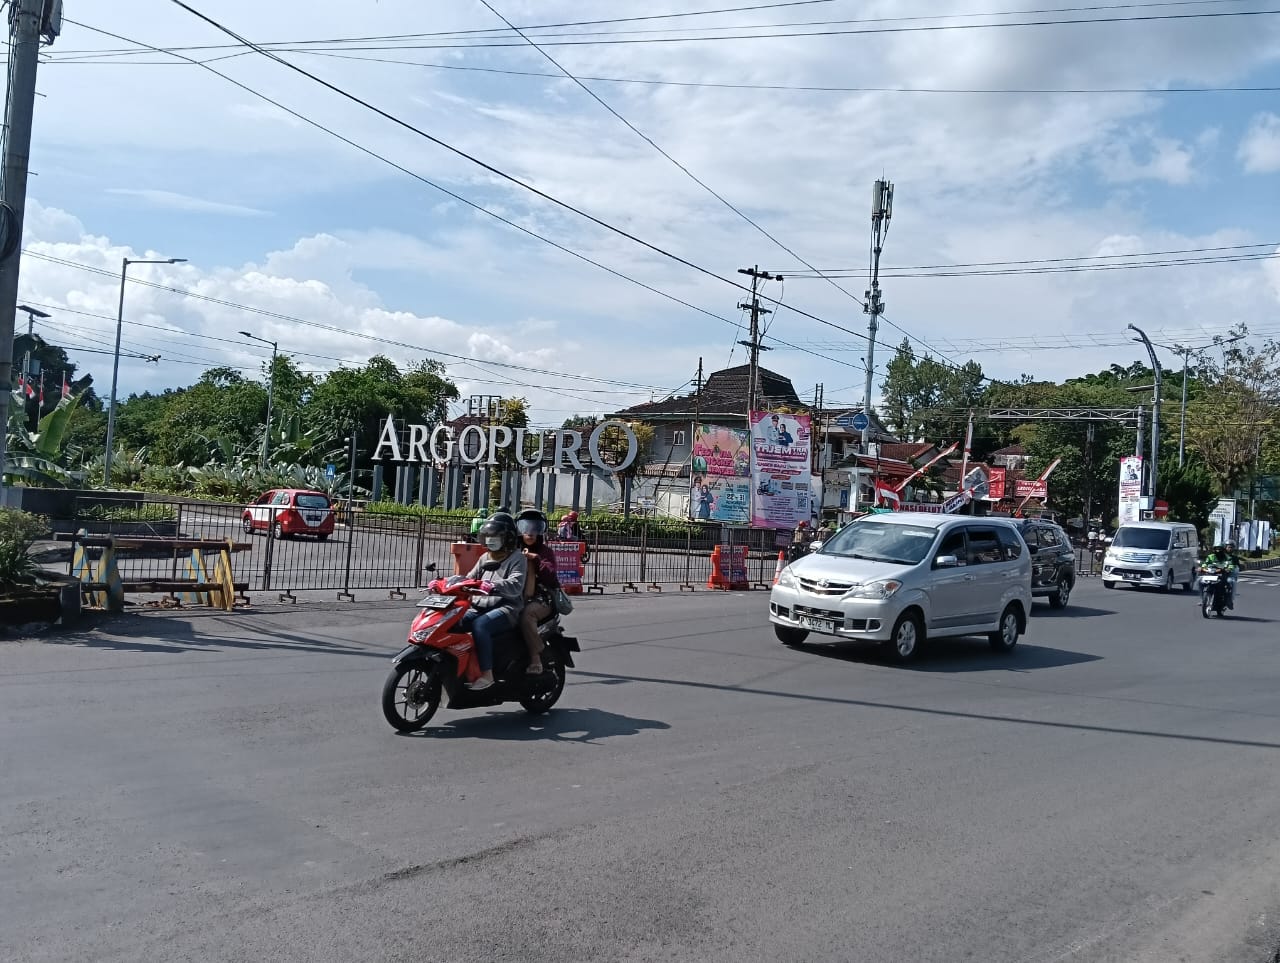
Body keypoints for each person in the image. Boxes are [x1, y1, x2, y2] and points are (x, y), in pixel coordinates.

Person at [454, 513, 527, 690]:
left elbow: (516, 584)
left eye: (496, 536)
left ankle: (487, 675)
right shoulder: (485, 557)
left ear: (508, 538)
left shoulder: (517, 558)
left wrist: (492, 585)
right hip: (479, 606)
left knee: (481, 625)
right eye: (488, 535)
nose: (491, 539)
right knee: (454, 620)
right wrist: (448, 583)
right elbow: (469, 578)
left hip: (507, 607)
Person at [515, 509, 559, 675]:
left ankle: (536, 659)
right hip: (513, 595)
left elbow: (551, 577)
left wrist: (536, 559)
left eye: (535, 528)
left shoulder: (545, 552)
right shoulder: (512, 549)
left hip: (542, 598)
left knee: (527, 615)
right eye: (525, 527)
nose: (530, 532)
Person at [1203, 541, 1240, 610]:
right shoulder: (1211, 556)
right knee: (1200, 581)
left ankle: (1230, 600)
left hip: (1225, 575)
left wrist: (1228, 569)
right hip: (1212, 574)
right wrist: (1203, 568)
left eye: (1219, 549)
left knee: (1231, 581)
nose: (1218, 550)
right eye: (1216, 549)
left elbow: (1231, 566)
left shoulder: (1229, 557)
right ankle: (1203, 599)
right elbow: (1205, 564)